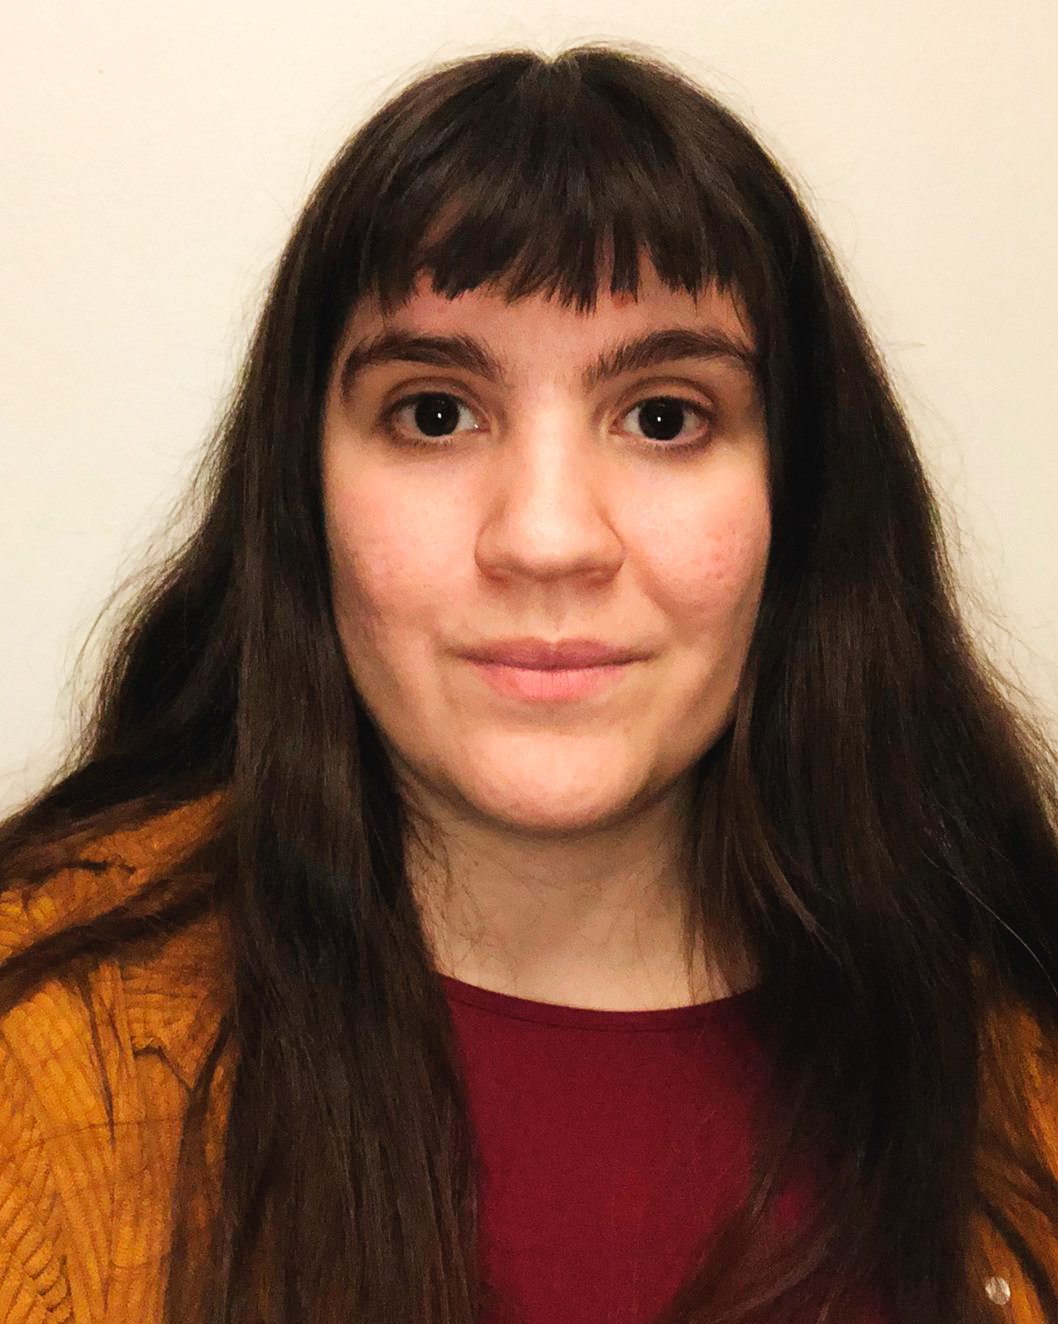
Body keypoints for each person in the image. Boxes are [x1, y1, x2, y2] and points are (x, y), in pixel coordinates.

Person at [1, 39, 1056, 1324]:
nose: (547, 538)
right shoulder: (35, 1054)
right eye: (434, 413)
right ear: (300, 498)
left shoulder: (1013, 1046)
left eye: (662, 417)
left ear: (803, 500)